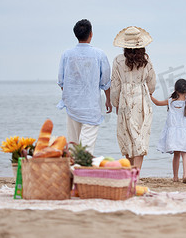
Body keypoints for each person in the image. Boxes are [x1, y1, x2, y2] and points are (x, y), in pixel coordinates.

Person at [57, 19, 112, 154]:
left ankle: (74, 172)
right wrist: (108, 100)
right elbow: (105, 82)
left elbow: (61, 82)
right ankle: (82, 171)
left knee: (73, 145)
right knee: (86, 146)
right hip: (91, 106)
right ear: (91, 34)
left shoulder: (67, 55)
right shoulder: (99, 54)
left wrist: (70, 98)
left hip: (72, 106)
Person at [110, 26, 156, 170]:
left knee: (127, 134)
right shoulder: (146, 59)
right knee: (140, 134)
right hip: (141, 97)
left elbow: (115, 84)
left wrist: (115, 103)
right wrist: (149, 92)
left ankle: (130, 170)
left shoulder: (118, 60)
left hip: (125, 98)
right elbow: (152, 81)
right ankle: (137, 171)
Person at [151, 79, 186, 183]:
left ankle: (175, 177)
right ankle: (185, 175)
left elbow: (157, 103)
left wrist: (150, 95)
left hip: (173, 133)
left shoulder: (171, 101)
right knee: (185, 154)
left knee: (176, 155)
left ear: (176, 90)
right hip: (184, 132)